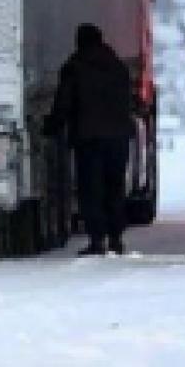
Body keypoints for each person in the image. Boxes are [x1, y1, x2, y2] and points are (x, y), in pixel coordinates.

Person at [45, 23, 136, 256]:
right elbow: (129, 102)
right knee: (115, 187)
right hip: (119, 138)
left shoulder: (74, 68)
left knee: (91, 190)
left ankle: (97, 240)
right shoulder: (119, 67)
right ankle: (116, 238)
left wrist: (53, 126)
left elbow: (64, 103)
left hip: (90, 139)